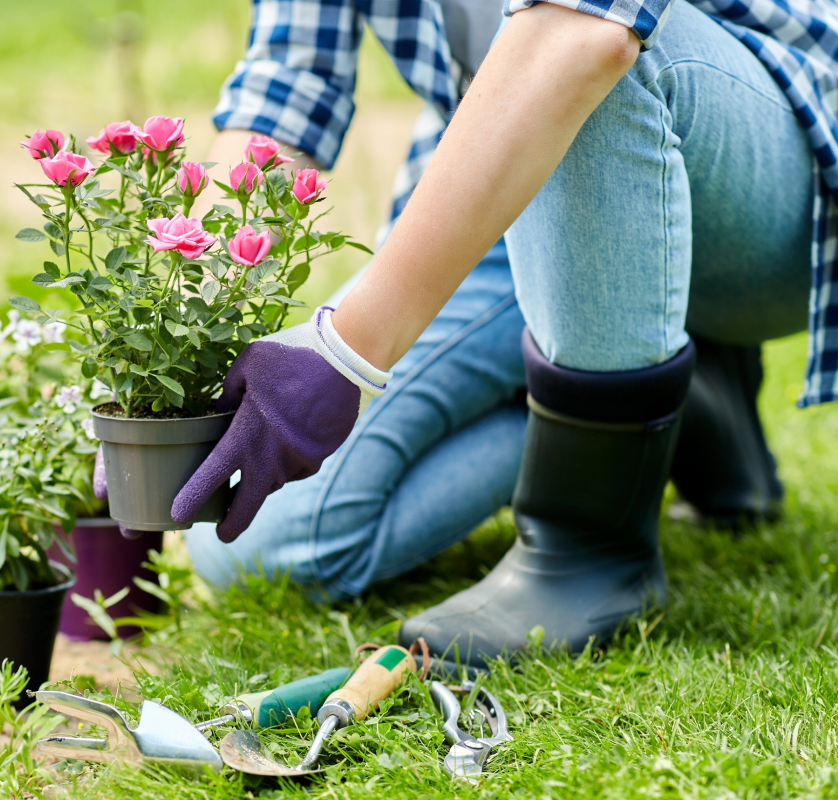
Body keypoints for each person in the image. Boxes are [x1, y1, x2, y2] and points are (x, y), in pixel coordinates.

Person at [174, 0, 834, 667]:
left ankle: (586, 550)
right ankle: (661, 387)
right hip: (525, 190)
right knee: (267, 543)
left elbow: (581, 33)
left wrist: (344, 354)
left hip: (767, 162)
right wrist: (182, 346)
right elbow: (285, 88)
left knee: (583, 44)